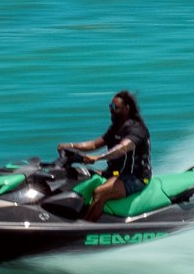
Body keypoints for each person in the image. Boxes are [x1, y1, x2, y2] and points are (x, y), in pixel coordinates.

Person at [60, 91, 152, 221]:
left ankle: (86, 228)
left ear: (127, 109)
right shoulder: (116, 127)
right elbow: (93, 144)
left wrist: (98, 158)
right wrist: (69, 145)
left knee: (101, 192)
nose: (111, 110)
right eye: (110, 106)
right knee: (82, 176)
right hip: (115, 173)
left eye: (115, 108)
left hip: (136, 177)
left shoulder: (136, 129)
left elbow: (123, 148)